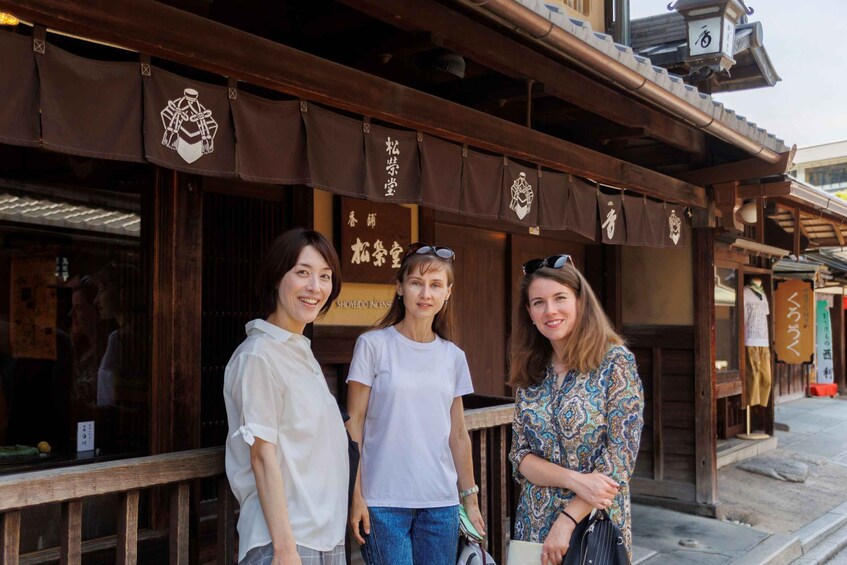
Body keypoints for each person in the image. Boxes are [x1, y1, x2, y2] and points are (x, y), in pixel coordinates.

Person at [346, 243, 486, 565]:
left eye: (436, 285)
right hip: (382, 502)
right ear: (400, 287)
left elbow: (458, 435)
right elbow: (353, 425)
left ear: (448, 293)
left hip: (441, 503)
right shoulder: (373, 346)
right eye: (416, 283)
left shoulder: (453, 356)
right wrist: (355, 496)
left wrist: (471, 500)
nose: (426, 293)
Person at [223, 228, 348, 565]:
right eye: (302, 273)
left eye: (325, 276)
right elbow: (262, 455)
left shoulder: (300, 351)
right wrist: (284, 549)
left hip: (323, 536)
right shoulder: (258, 355)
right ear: (277, 278)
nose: (315, 287)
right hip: (287, 542)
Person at [508, 254, 643, 565]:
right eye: (538, 302)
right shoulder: (531, 370)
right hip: (533, 524)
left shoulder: (615, 361)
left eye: (559, 298)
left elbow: (620, 460)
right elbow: (520, 456)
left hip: (595, 524)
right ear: (529, 312)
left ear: (580, 302)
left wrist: (567, 520)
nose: (550, 310)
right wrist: (574, 479)